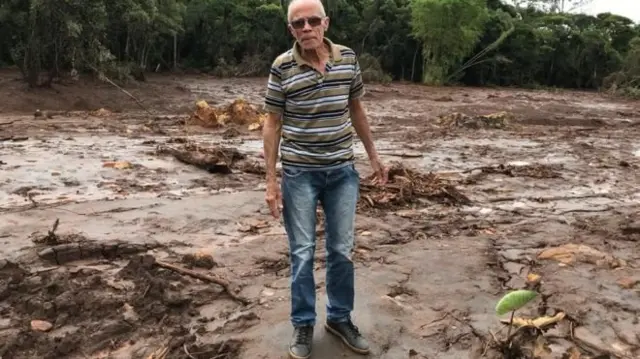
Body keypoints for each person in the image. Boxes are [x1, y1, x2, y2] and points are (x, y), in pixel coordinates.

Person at [262, 0, 388, 357]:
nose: (306, 28)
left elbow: (357, 108)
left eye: (312, 21)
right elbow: (271, 124)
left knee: (341, 250)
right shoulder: (282, 67)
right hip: (299, 173)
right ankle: (303, 325)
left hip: (343, 173)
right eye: (298, 24)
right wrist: (271, 182)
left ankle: (339, 318)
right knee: (302, 253)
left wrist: (374, 158)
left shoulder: (347, 59)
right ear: (291, 30)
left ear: (325, 23)